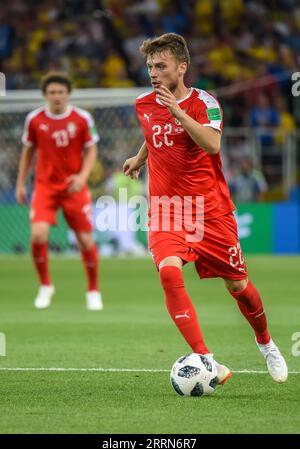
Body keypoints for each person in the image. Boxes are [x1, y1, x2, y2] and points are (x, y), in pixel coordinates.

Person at [123, 33, 287, 384]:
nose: (153, 72)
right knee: (168, 272)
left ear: (181, 68)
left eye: (161, 66)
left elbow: (212, 144)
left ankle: (266, 343)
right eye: (150, 66)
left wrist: (177, 111)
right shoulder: (144, 103)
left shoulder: (206, 103)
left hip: (210, 211)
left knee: (238, 285)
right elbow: (155, 134)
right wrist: (139, 158)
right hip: (166, 209)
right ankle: (205, 358)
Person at [16, 72, 103, 311]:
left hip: (74, 187)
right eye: (52, 92)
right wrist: (21, 183)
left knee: (85, 240)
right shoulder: (34, 119)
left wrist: (83, 177)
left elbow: (92, 150)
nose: (57, 96)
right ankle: (45, 284)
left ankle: (93, 289)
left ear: (68, 94)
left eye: (61, 92)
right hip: (45, 186)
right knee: (38, 235)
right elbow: (28, 153)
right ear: (45, 94)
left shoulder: (82, 118)